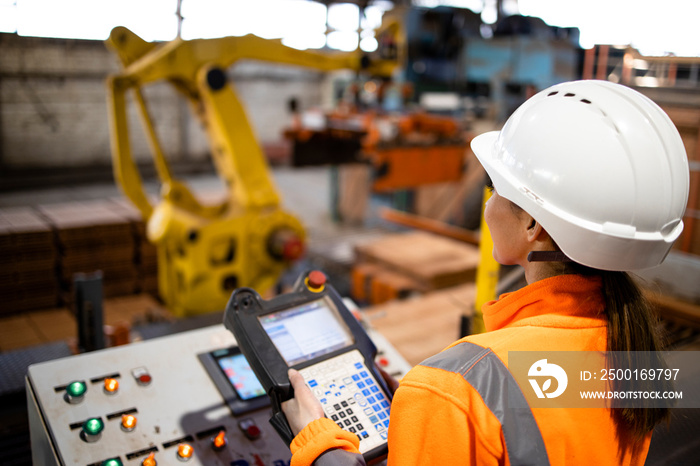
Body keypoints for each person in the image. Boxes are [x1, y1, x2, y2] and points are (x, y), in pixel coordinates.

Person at [281, 80, 690, 465]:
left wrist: (319, 445)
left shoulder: (455, 388)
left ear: (533, 225)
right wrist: (428, 412)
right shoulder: (631, 349)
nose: (488, 205)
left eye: (495, 188)